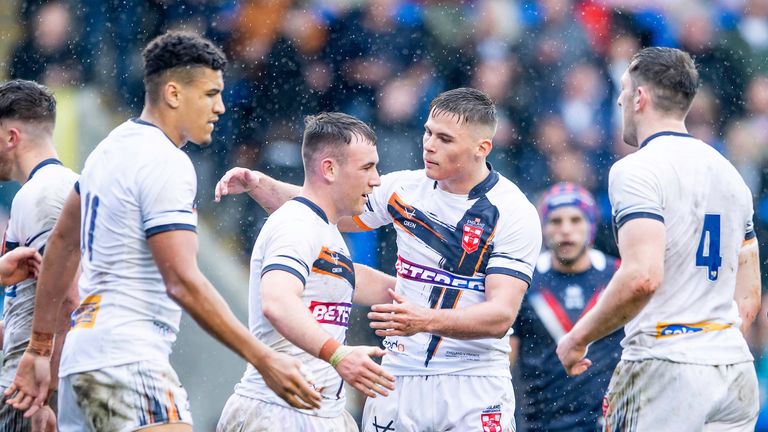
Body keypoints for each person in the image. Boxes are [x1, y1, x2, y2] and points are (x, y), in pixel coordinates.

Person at [4, 31, 321, 431]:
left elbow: (65, 246)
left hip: (82, 365)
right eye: (210, 94)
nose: (220, 107)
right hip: (129, 359)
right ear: (173, 93)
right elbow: (182, 282)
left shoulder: (109, 148)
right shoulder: (165, 162)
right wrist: (263, 358)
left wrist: (39, 347)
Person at [215, 87, 542, 431]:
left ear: (482, 148)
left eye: (445, 139)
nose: (429, 145)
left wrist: (425, 320)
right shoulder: (402, 189)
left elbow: (501, 316)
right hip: (396, 377)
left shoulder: (513, 212)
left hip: (471, 381)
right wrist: (262, 185)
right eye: (428, 132)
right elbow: (325, 206)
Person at [557, 47, 762, 431]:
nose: (618, 99)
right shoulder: (730, 173)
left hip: (666, 364)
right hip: (733, 368)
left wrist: (577, 337)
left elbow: (643, 277)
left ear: (640, 97)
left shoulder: (636, 170)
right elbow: (748, 298)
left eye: (622, 89)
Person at [217, 112, 397, 432]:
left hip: (319, 413)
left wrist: (447, 302)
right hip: (277, 413)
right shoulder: (296, 225)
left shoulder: (322, 229)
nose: (377, 179)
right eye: (367, 167)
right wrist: (339, 355)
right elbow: (277, 301)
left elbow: (355, 280)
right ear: (329, 168)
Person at [0, 79, 80, 432]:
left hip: (28, 390)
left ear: (11, 138)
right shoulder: (52, 189)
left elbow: (69, 299)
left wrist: (46, 397)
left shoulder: (44, 195)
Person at [510, 182, 621, 432]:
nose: (566, 230)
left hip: (610, 422)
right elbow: (505, 358)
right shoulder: (524, 281)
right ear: (543, 228)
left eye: (575, 220)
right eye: (556, 221)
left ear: (591, 224)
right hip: (540, 422)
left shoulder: (618, 277)